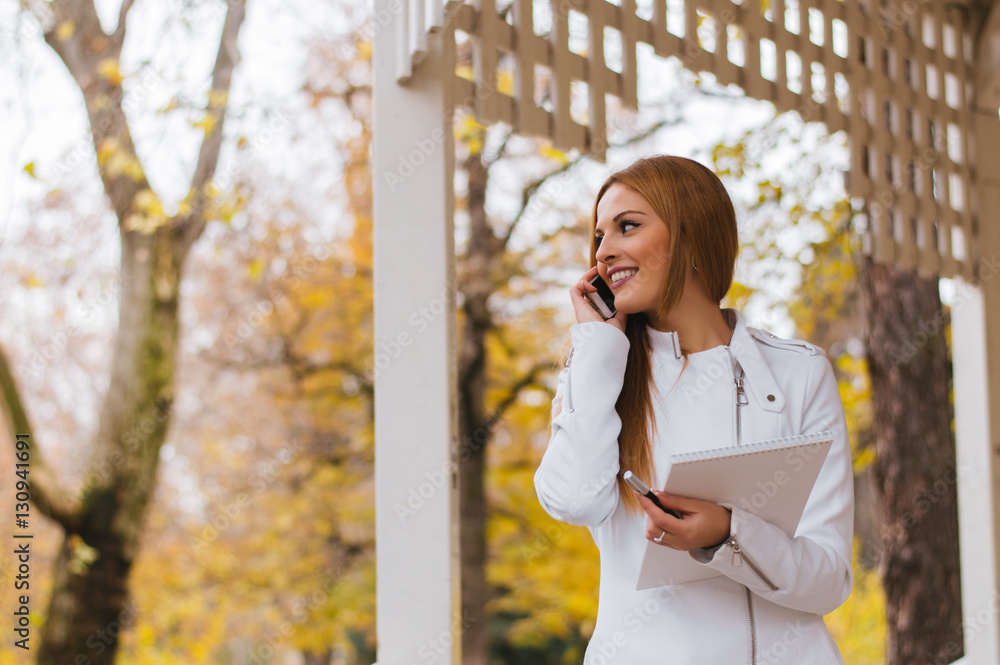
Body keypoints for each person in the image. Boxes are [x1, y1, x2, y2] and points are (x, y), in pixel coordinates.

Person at [533, 155, 854, 664]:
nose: (603, 252)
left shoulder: (800, 372)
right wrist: (596, 347)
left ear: (691, 232)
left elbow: (829, 580)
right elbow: (573, 500)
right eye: (598, 237)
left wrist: (728, 533)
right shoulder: (596, 371)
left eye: (627, 227)